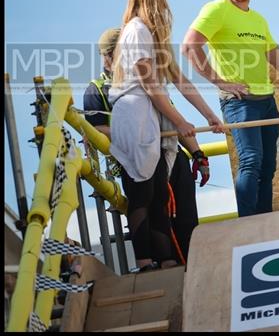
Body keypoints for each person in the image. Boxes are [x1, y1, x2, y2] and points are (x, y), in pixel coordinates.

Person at [182, 0, 279, 217]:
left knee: (268, 167)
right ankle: (247, 223)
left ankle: (264, 220)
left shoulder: (258, 20)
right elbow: (189, 45)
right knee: (250, 161)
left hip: (267, 102)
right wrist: (219, 81)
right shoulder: (216, 9)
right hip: (239, 103)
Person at [109, 0, 223, 271]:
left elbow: (180, 81)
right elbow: (151, 87)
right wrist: (181, 121)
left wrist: (209, 115)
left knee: (160, 192)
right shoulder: (135, 32)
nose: (166, 1)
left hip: (150, 116)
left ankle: (167, 260)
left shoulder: (153, 35)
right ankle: (146, 260)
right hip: (136, 115)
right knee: (142, 193)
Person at [83, 27, 214, 266]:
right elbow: (96, 129)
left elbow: (174, 117)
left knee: (186, 217)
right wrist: (138, 134)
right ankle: (153, 264)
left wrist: (198, 153)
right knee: (152, 210)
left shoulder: (146, 77)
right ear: (108, 56)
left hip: (172, 156)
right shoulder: (97, 88)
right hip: (137, 156)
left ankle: (194, 266)